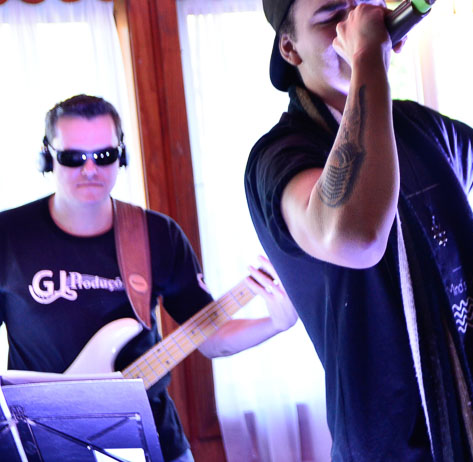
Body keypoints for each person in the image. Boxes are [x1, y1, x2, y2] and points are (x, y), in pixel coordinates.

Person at [244, 0, 473, 462]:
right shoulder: (279, 156)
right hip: (392, 448)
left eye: (368, 8)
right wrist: (367, 58)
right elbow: (353, 237)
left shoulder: (415, 127)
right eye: (331, 17)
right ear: (289, 48)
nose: (356, 25)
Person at [0, 94, 299, 462]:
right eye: (73, 157)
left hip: (152, 443)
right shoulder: (9, 234)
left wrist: (276, 323)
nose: (90, 169)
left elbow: (210, 338)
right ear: (47, 157)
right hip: (41, 448)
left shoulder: (155, 234)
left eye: (104, 155)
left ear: (121, 155)